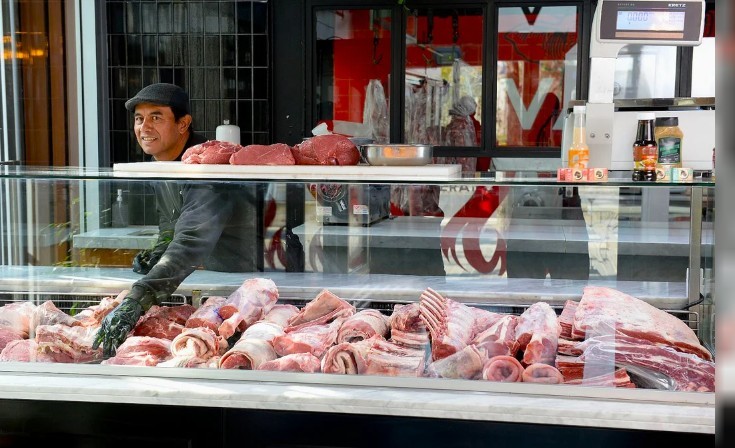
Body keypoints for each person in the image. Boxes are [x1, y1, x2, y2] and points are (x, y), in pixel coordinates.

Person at [93, 83, 259, 356]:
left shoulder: (206, 169)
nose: (144, 128)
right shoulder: (165, 164)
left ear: (184, 124)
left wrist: (135, 301)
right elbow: (171, 224)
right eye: (139, 119)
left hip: (246, 291)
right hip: (211, 286)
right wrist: (159, 250)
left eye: (156, 117)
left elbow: (191, 239)